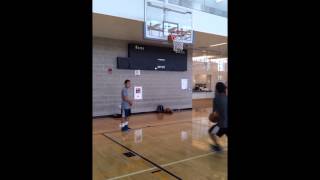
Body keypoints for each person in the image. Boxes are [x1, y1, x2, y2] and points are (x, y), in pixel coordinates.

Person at [208, 82, 228, 152]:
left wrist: (211, 118)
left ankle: (218, 147)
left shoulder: (216, 99)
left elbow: (215, 114)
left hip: (221, 126)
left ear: (217, 90)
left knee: (211, 132)